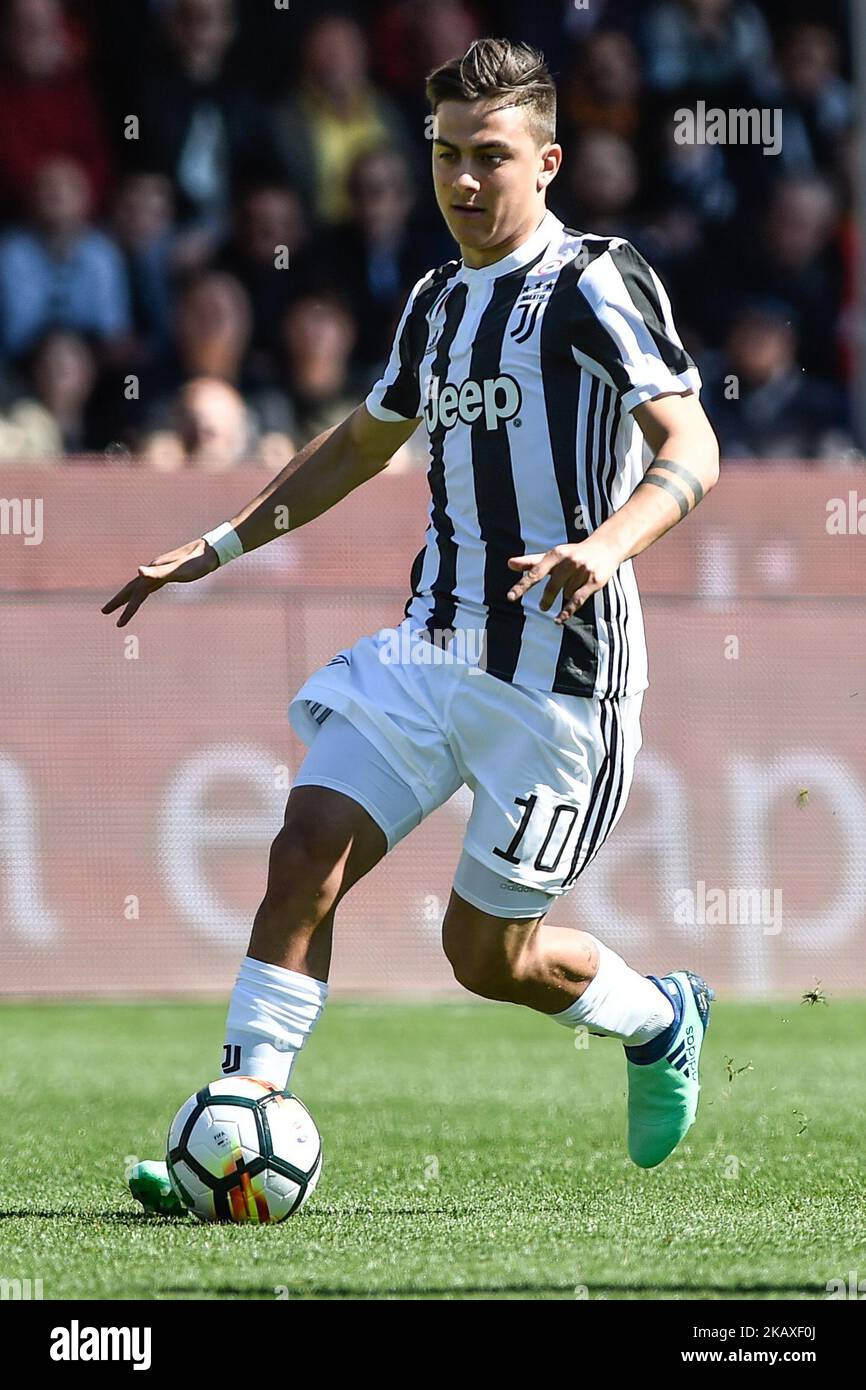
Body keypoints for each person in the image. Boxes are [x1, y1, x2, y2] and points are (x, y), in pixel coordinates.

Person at [103, 38, 720, 1215]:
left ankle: (656, 1018)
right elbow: (365, 439)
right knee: (304, 852)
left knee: (485, 957)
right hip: (431, 649)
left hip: (561, 685)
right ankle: (236, 1132)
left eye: (488, 157)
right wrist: (225, 543)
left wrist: (602, 545)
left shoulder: (596, 280)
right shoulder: (438, 300)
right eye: (444, 155)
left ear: (545, 160)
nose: (461, 182)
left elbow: (689, 445)